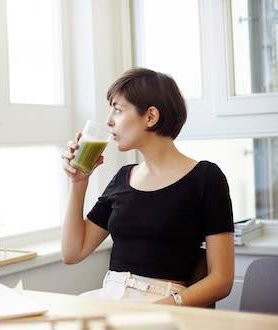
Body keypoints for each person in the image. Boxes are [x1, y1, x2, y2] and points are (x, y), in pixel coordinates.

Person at [61, 68, 234, 306]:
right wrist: (78, 182)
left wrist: (160, 308)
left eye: (118, 110)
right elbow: (73, 252)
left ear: (151, 117)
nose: (109, 120)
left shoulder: (206, 178)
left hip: (164, 302)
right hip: (109, 298)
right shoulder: (123, 177)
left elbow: (221, 280)